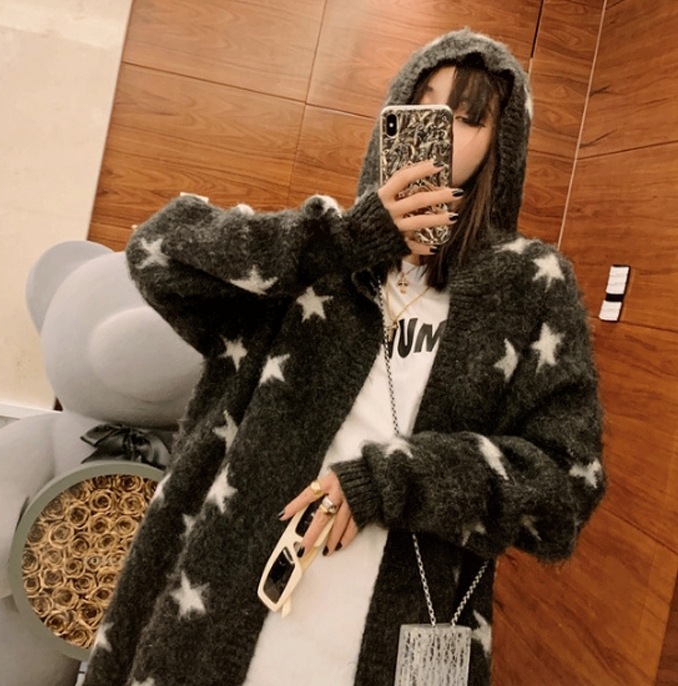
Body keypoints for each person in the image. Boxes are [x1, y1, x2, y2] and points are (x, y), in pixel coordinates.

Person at [84, 28, 605, 686]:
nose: (441, 130)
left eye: (470, 117)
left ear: (501, 145)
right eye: (424, 104)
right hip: (224, 608)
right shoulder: (322, 252)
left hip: (388, 629)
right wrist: (351, 237)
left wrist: (394, 479)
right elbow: (157, 252)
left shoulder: (528, 285)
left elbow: (565, 488)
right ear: (392, 114)